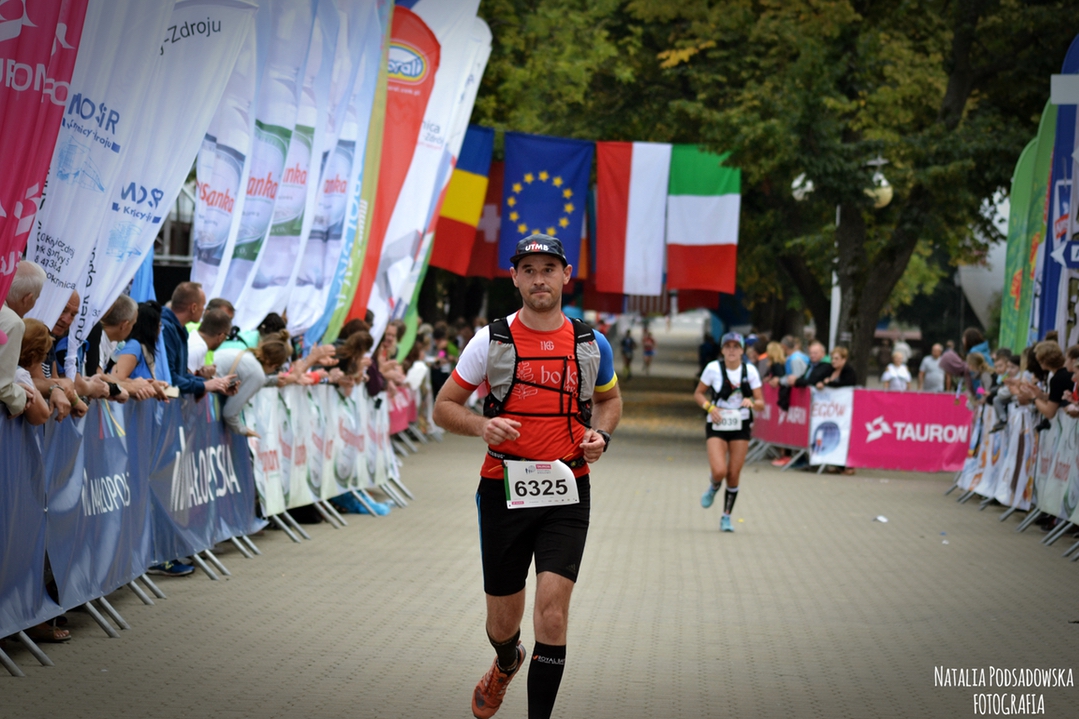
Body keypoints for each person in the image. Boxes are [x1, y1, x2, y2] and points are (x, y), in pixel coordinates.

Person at [432, 235, 621, 719]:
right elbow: (443, 407)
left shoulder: (591, 343)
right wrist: (481, 425)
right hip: (503, 488)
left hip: (567, 488)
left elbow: (609, 400)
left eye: (549, 269)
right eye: (529, 270)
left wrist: (601, 435)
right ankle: (506, 659)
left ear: (565, 275)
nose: (540, 279)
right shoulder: (491, 341)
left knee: (552, 616)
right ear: (515, 277)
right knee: (503, 622)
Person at [696, 332, 764, 531]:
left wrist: (752, 402)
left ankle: (726, 517)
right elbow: (698, 394)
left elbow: (761, 403)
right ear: (722, 350)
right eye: (728, 346)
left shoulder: (750, 371)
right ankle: (714, 486)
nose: (732, 350)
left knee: (733, 474)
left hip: (740, 425)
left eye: (736, 347)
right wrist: (710, 407)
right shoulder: (713, 368)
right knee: (720, 471)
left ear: (743, 350)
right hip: (717, 424)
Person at [213, 330, 297, 436]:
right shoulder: (257, 373)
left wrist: (274, 380)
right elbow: (229, 413)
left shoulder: (247, 354)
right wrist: (244, 431)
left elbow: (251, 376)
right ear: (275, 366)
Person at [161, 282, 234, 398]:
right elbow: (169, 379)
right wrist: (205, 385)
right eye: (203, 305)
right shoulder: (166, 329)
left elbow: (182, 375)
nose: (204, 310)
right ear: (194, 307)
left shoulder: (181, 330)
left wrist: (214, 383)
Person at [1, 260, 47, 417]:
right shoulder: (12, 323)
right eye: (36, 299)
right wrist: (21, 397)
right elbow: (2, 386)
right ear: (28, 298)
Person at [188, 308, 232, 376]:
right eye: (226, 336)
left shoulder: (194, 338)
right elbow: (182, 380)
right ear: (221, 336)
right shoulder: (198, 347)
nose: (225, 339)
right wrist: (205, 378)